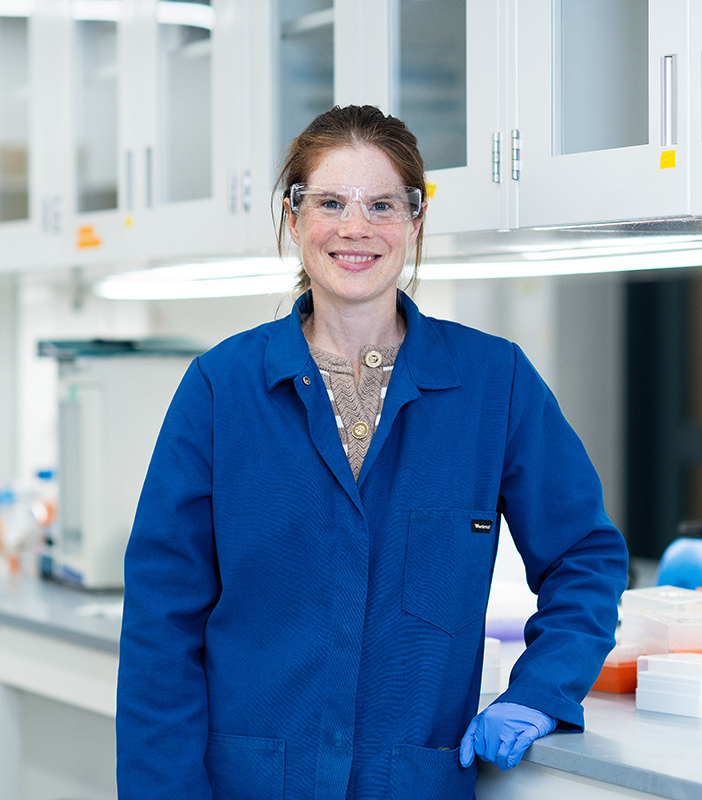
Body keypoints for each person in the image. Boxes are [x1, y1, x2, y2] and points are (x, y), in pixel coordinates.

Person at [116, 104, 628, 800]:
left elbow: (584, 558)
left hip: (411, 782)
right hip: (252, 783)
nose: (356, 227)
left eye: (382, 204)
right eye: (331, 202)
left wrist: (541, 689)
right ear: (294, 220)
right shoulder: (221, 388)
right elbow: (161, 621)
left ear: (414, 224)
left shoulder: (493, 382)